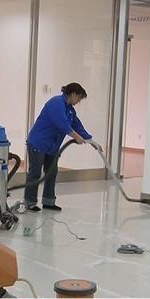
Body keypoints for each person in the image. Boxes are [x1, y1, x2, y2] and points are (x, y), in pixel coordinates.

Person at [24, 82, 101, 212]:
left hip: (52, 146)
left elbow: (77, 125)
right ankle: (29, 202)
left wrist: (91, 140)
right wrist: (76, 137)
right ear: (73, 94)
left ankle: (48, 202)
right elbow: (62, 124)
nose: (78, 101)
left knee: (51, 173)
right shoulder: (56, 103)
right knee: (35, 173)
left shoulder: (70, 110)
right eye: (79, 98)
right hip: (39, 143)